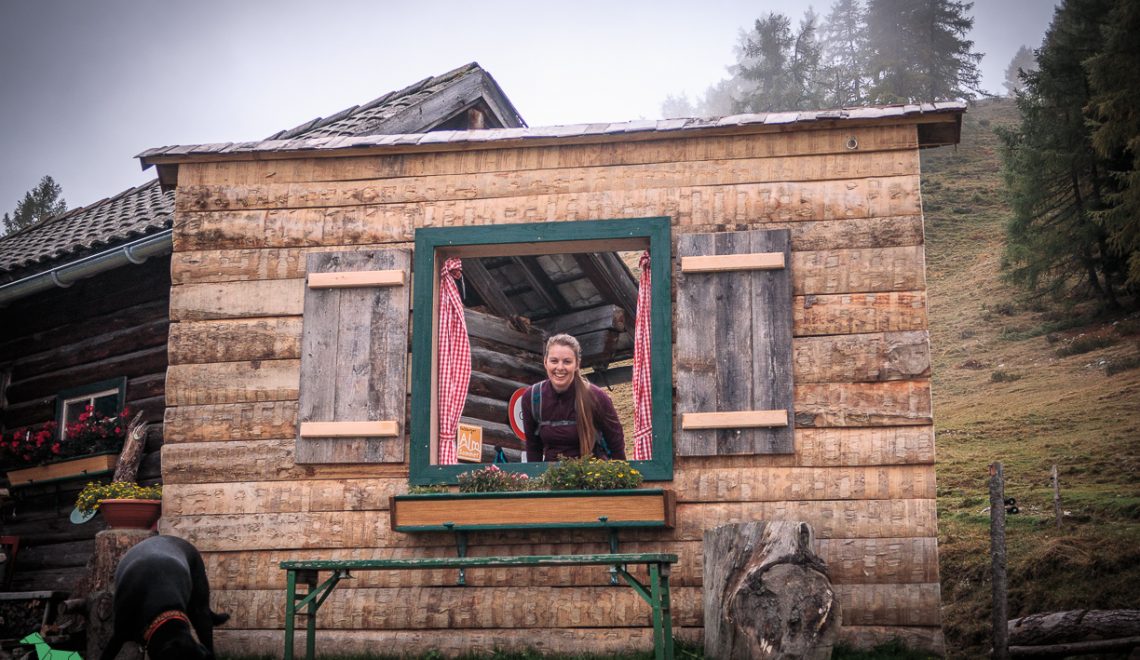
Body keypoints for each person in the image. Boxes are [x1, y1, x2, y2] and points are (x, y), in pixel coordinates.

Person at [521, 333, 626, 462]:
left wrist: (619, 479)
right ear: (545, 362)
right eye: (554, 361)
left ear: (577, 364)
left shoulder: (597, 397)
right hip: (551, 477)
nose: (560, 368)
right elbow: (533, 447)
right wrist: (534, 480)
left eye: (567, 362)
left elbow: (616, 445)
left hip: (591, 475)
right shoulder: (532, 398)